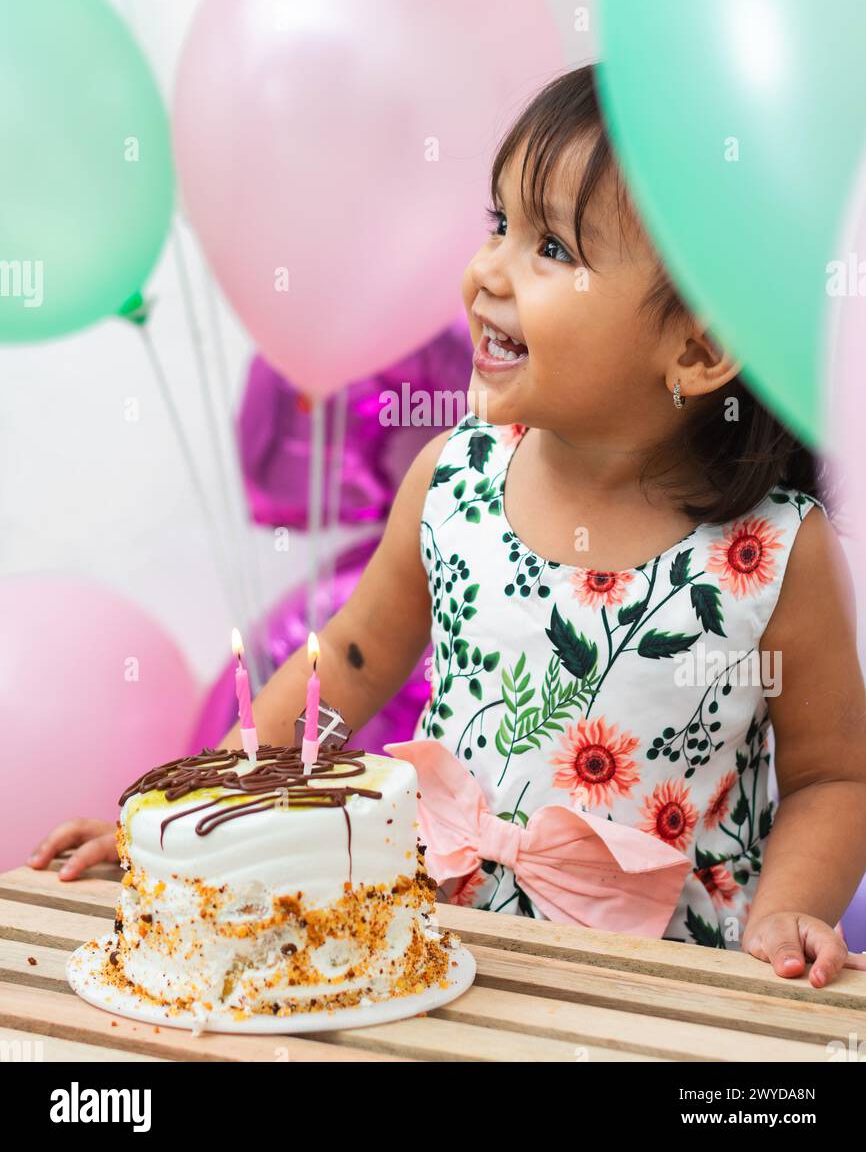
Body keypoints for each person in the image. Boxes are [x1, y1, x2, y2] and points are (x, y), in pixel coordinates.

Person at [30, 64, 866, 987]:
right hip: (434, 959)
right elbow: (345, 664)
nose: (489, 271)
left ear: (699, 347)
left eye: (552, 247)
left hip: (662, 996)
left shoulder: (772, 552)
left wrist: (789, 913)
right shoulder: (454, 482)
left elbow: (835, 777)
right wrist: (184, 816)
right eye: (499, 225)